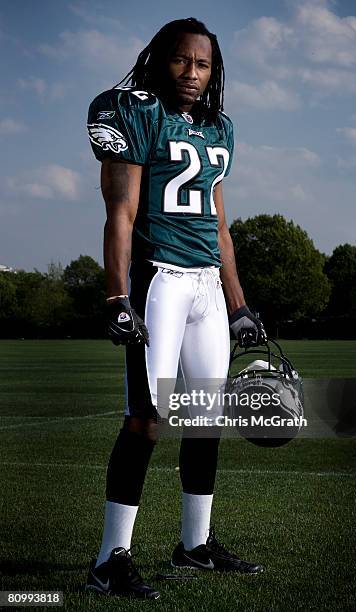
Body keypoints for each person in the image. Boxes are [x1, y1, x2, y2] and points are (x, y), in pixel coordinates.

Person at [85, 17, 266, 599]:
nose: (192, 74)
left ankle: (194, 546)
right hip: (157, 280)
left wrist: (238, 304)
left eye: (204, 64)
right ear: (160, 59)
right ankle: (110, 560)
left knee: (205, 419)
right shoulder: (134, 111)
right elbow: (121, 210)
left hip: (207, 285)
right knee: (148, 419)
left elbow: (219, 225)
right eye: (182, 61)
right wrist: (117, 296)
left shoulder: (218, 128)